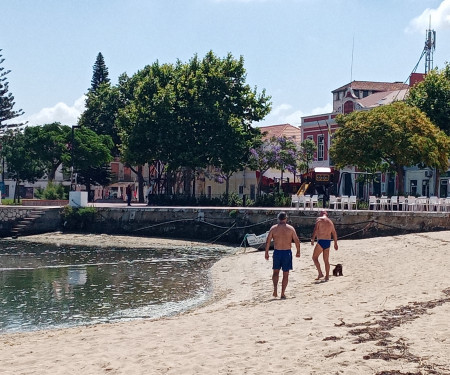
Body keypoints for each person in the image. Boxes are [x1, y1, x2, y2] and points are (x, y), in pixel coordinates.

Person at [265, 212, 301, 299]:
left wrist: (266, 252)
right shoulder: (290, 229)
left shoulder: (273, 229)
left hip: (277, 252)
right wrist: (298, 251)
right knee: (286, 273)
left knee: (275, 272)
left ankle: (275, 290)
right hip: (286, 252)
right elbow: (296, 240)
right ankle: (282, 293)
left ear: (278, 219)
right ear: (286, 219)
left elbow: (268, 241)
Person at [310, 210, 338, 281]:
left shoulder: (319, 219)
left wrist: (313, 239)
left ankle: (320, 273)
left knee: (314, 257)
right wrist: (335, 243)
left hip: (321, 241)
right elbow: (334, 233)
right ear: (326, 214)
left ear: (321, 214)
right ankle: (327, 276)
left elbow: (315, 230)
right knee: (326, 260)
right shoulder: (330, 222)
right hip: (328, 242)